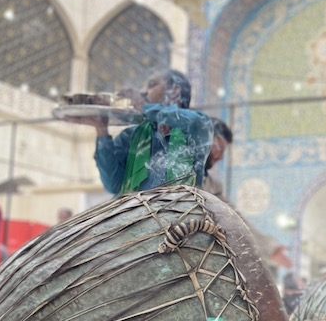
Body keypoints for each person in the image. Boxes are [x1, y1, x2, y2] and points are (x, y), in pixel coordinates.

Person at [81, 70, 214, 195]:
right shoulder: (131, 135)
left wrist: (142, 105)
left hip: (181, 214)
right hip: (138, 215)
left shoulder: (198, 124)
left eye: (151, 85)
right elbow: (113, 185)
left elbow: (189, 120)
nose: (143, 92)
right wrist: (101, 129)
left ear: (174, 91)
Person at [202, 117, 293, 270]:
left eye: (223, 150)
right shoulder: (176, 170)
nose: (220, 156)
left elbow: (234, 220)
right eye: (219, 147)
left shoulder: (212, 186)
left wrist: (268, 249)